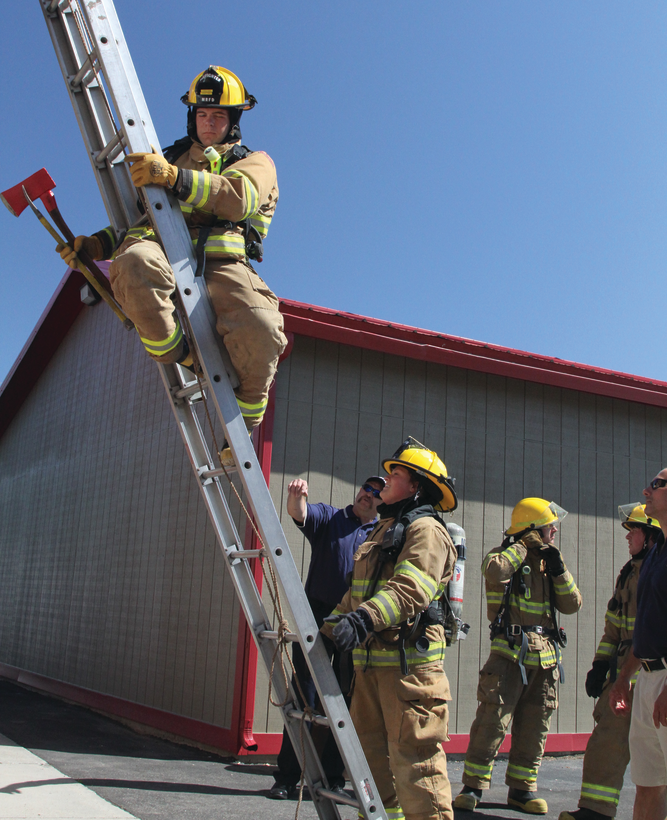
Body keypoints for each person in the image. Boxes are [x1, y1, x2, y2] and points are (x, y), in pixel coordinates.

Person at [58, 65, 287, 446]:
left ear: (233, 121)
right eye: (202, 115)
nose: (208, 123)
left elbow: (237, 200)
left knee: (262, 326)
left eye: (217, 116)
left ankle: (244, 423)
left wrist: (174, 179)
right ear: (191, 117)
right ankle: (184, 354)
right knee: (132, 264)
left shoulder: (255, 161)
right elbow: (138, 220)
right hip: (161, 253)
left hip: (223, 266)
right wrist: (94, 246)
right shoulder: (167, 158)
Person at [323, 437, 459, 820]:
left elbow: (411, 589)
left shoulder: (427, 530)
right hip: (370, 673)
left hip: (409, 676)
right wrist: (328, 629)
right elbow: (357, 595)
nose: (384, 481)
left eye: (394, 474)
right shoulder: (382, 531)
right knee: (371, 769)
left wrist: (363, 620)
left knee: (418, 772)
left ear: (415, 486)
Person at [454, 497, 582, 815]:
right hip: (508, 657)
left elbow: (573, 604)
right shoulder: (505, 557)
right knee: (492, 722)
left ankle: (522, 790)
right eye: (549, 526)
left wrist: (559, 568)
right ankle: (472, 787)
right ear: (533, 530)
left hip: (546, 660)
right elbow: (494, 571)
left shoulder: (549, 563)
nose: (554, 531)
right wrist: (522, 546)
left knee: (535, 726)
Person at [269, 474, 384, 800]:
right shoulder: (332, 517)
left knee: (344, 703)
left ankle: (333, 778)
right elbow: (300, 513)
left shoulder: (380, 534)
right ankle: (287, 778)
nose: (368, 494)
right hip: (318, 620)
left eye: (377, 493)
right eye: (366, 488)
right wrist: (297, 496)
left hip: (355, 625)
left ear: (382, 502)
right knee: (304, 699)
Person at [559, 504, 660, 820]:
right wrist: (600, 664)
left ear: (650, 535)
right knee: (607, 740)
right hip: (623, 671)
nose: (628, 537)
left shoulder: (657, 572)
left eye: (634, 531)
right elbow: (613, 628)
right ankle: (595, 810)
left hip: (652, 668)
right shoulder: (628, 572)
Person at [608, 469, 667, 820]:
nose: (646, 490)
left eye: (657, 485)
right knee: (648, 785)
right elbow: (649, 627)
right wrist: (624, 677)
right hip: (647, 681)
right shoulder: (657, 551)